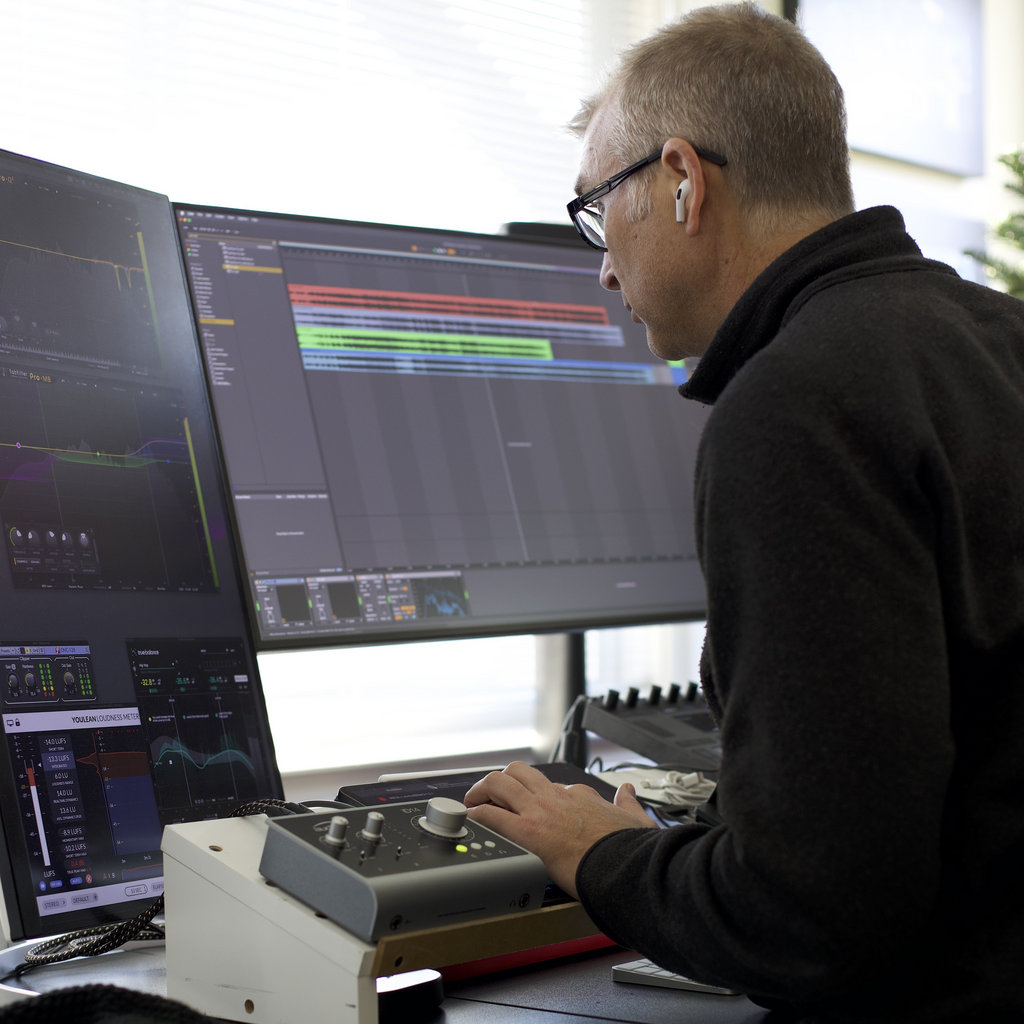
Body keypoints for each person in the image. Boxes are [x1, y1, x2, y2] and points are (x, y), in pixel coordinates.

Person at [464, 3, 1024, 1021]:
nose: (599, 264)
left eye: (597, 209)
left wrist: (610, 858)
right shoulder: (992, 337)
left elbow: (810, 913)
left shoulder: (799, 399)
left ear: (682, 181)